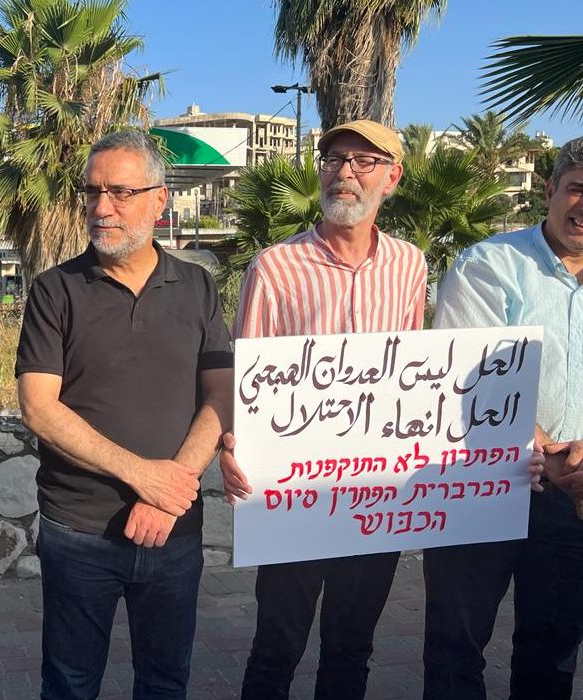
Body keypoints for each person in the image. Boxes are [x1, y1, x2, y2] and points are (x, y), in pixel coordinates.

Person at [17, 129, 234, 699]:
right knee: (69, 684)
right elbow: (38, 407)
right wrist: (144, 476)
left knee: (165, 682)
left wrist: (168, 493)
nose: (101, 207)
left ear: (160, 199)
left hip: (173, 531)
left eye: (120, 192)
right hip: (78, 531)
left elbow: (221, 397)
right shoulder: (55, 290)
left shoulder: (197, 287)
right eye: (92, 192)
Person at [220, 120, 426, 700]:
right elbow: (246, 374)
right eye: (334, 159)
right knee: (276, 646)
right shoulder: (274, 267)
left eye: (364, 161)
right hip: (294, 491)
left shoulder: (410, 265)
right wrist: (232, 446)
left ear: (392, 177)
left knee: (352, 647)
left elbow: (414, 369)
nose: (345, 173)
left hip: (376, 491)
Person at [422, 136, 583, 700]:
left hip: (573, 498)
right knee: (455, 649)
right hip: (481, 483)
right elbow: (472, 375)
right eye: (577, 189)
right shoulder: (488, 264)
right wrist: (552, 454)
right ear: (550, 190)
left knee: (552, 655)